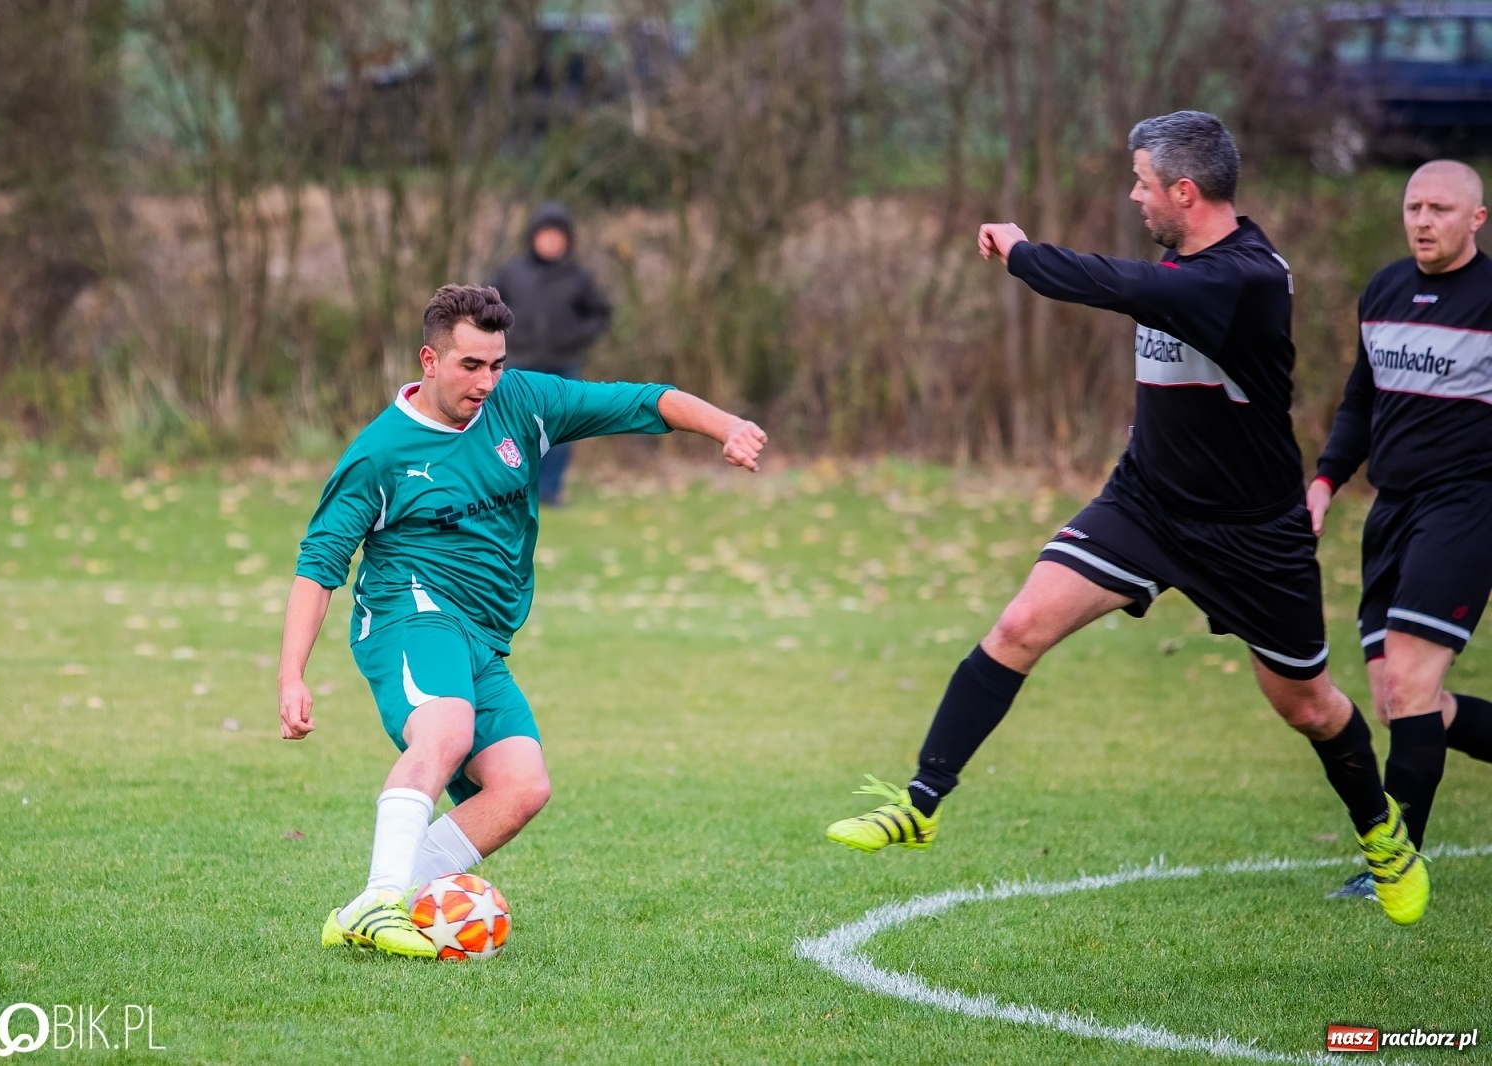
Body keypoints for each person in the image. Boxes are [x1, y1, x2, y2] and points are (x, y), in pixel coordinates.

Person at [824, 110, 1429, 926]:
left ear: (1185, 190)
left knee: (1309, 706)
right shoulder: (1185, 261)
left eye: (1143, 183)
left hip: (1251, 533)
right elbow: (1144, 287)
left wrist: (1026, 255)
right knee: (1018, 626)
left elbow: (1128, 288)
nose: (1132, 196)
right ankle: (921, 803)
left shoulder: (1245, 278)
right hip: (1144, 504)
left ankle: (1384, 837)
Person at [279, 284, 766, 958]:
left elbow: (648, 400)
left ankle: (370, 905)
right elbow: (320, 561)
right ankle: (384, 900)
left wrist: (727, 427)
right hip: (408, 615)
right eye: (470, 365)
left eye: (496, 364)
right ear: (429, 358)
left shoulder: (523, 402)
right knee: (445, 733)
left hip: (482, 635)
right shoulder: (381, 452)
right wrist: (291, 676)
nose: (486, 381)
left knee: (521, 787)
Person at [1309, 160, 1492, 900]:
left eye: (1440, 208)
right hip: (1390, 512)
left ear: (1476, 219)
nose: (1422, 220)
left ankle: (1397, 860)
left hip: (1467, 507)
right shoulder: (1384, 289)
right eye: (1413, 206)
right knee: (1401, 701)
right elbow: (1360, 401)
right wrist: (1323, 481)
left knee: (1414, 685)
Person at [488, 202, 613, 506]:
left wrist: (575, 336)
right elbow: (483, 306)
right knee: (514, 430)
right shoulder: (511, 272)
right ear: (533, 237)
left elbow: (601, 314)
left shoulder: (577, 277)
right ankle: (515, 490)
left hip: (562, 366)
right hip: (518, 365)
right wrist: (501, 337)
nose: (552, 242)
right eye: (547, 236)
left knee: (560, 433)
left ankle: (549, 490)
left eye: (559, 237)